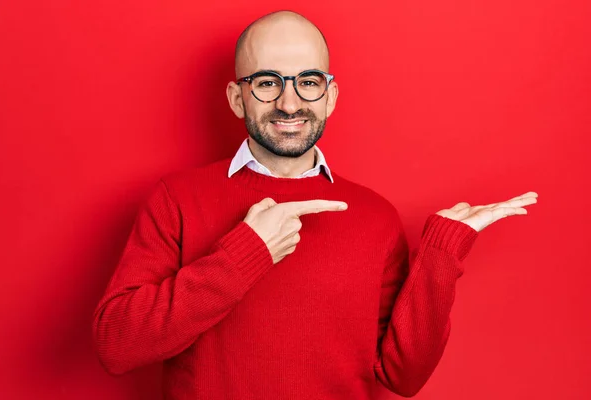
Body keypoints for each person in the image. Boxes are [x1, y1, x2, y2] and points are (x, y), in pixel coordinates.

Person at [92, 10, 538, 400]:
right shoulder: (177, 199)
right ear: (235, 98)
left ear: (331, 97)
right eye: (267, 82)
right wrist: (244, 255)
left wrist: (441, 253)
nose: (290, 103)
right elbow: (118, 345)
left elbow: (404, 377)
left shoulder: (375, 217)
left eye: (308, 82)